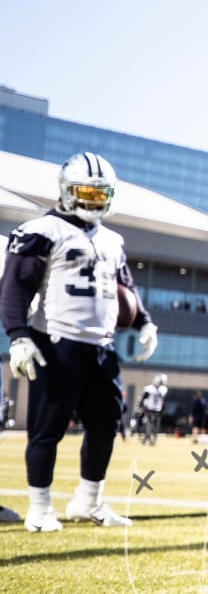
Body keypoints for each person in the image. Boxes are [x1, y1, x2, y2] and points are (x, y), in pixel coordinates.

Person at [1, 152, 159, 532]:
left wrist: (145, 321)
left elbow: (125, 289)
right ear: (67, 191)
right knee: (47, 428)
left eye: (101, 192)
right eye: (86, 191)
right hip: (57, 340)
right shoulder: (42, 230)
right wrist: (18, 336)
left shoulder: (113, 239)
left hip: (102, 346)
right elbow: (15, 285)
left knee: (106, 426)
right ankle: (40, 507)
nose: (94, 199)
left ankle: (88, 502)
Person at [133, 373, 168, 440]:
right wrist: (140, 406)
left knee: (155, 423)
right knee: (147, 421)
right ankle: (146, 435)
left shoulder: (163, 389)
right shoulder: (149, 388)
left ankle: (152, 435)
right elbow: (144, 397)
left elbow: (163, 400)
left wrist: (163, 408)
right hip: (149, 407)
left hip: (157, 408)